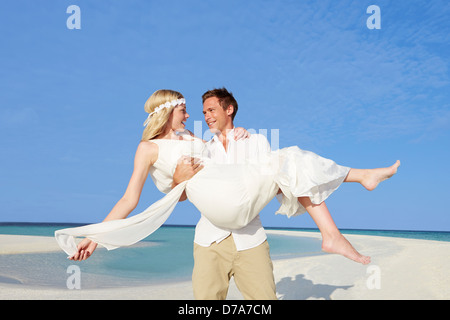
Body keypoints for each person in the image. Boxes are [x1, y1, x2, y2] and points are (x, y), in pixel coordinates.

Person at [55, 89, 400, 285]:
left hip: (235, 202)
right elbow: (130, 199)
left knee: (289, 161)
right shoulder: (147, 148)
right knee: (288, 161)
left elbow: (221, 161)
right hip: (219, 209)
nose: (190, 116)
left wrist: (236, 135)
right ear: (167, 111)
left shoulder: (196, 138)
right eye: (184, 110)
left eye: (197, 111)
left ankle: (333, 231)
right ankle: (358, 185)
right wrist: (95, 237)